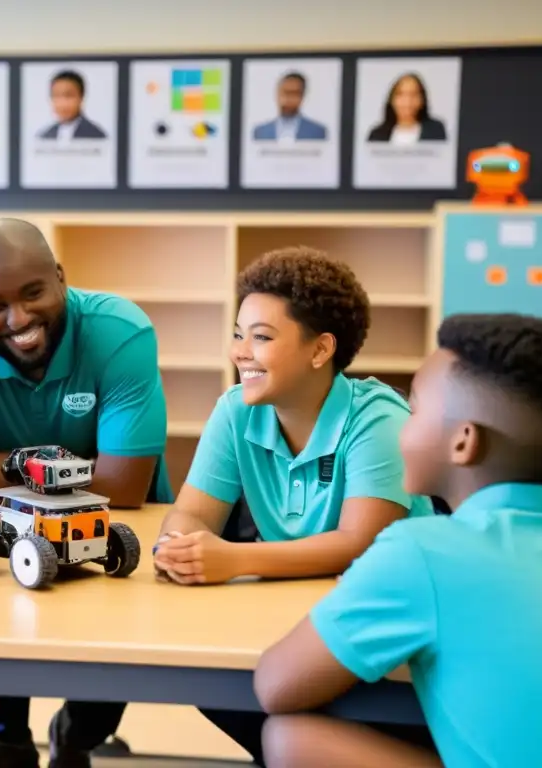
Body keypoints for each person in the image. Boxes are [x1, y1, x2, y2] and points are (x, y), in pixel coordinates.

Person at [101, 247, 428, 767]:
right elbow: (192, 512)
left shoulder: (377, 418)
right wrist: (177, 545)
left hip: (383, 639)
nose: (240, 352)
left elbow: (359, 544)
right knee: (210, 678)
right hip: (290, 620)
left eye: (261, 337)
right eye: (238, 333)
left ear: (321, 350)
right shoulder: (235, 411)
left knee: (285, 716)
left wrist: (234, 558)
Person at [0, 218, 172, 768]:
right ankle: (5, 741)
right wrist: (74, 462)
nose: (19, 319)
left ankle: (76, 735)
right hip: (12, 522)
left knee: (109, 641)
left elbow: (123, 485)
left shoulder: (120, 332)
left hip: (118, 522)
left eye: (33, 293)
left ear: (60, 277)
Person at [254, 313, 542, 767]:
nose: (401, 428)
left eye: (413, 411)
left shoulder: (422, 551)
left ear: (463, 443)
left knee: (288, 737)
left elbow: (276, 685)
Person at [366, 72, 447, 144]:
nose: (407, 101)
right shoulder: (377, 134)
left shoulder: (435, 130)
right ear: (391, 100)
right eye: (401, 94)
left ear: (422, 100)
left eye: (414, 94)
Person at [252, 71, 327, 141]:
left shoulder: (317, 132)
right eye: (284, 93)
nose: (287, 99)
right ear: (277, 94)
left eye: (293, 93)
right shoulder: (260, 132)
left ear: (302, 96)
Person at [38, 70, 107, 140]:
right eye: (56, 96)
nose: (62, 103)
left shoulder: (96, 135)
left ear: (81, 98)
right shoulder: (45, 136)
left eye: (69, 96)